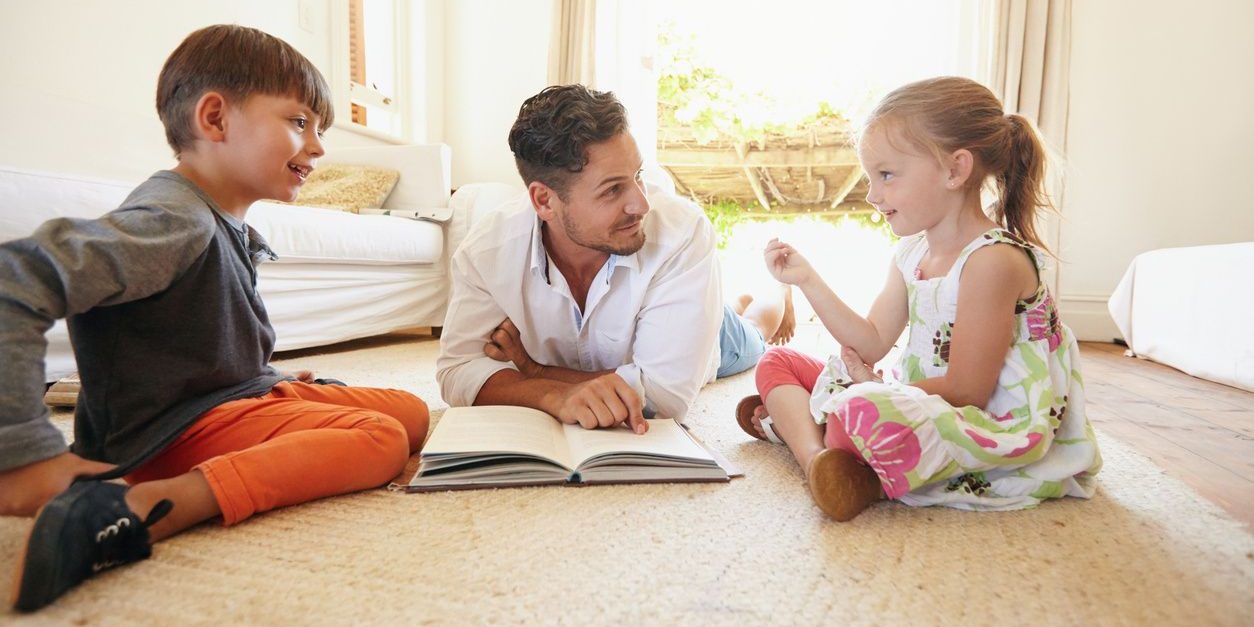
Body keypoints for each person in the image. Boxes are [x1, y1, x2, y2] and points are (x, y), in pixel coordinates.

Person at [0, 25, 429, 612]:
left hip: (225, 401)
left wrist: (268, 379)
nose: (320, 147)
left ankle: (258, 418)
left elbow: (196, 341)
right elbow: (13, 280)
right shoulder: (172, 221)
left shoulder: (213, 216)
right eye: (300, 122)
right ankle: (147, 506)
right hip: (167, 435)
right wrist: (23, 452)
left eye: (320, 129)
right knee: (379, 440)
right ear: (215, 119)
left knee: (411, 412)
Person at [736, 76, 1101, 521]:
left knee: (860, 407)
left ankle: (817, 440)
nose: (873, 195)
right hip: (913, 397)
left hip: (982, 421)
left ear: (954, 170)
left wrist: (870, 389)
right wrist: (807, 279)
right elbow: (870, 341)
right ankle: (820, 459)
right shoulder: (912, 252)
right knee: (778, 363)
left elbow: (969, 390)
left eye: (886, 175)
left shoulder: (992, 262)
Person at [436, 84, 790, 433]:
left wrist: (534, 372)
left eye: (637, 176)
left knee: (755, 333)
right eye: (612, 190)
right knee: (731, 308)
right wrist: (550, 395)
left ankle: (779, 291)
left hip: (712, 337)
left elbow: (663, 398)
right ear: (544, 201)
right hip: (676, 310)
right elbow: (457, 371)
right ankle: (736, 300)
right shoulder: (487, 251)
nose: (641, 204)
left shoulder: (681, 233)